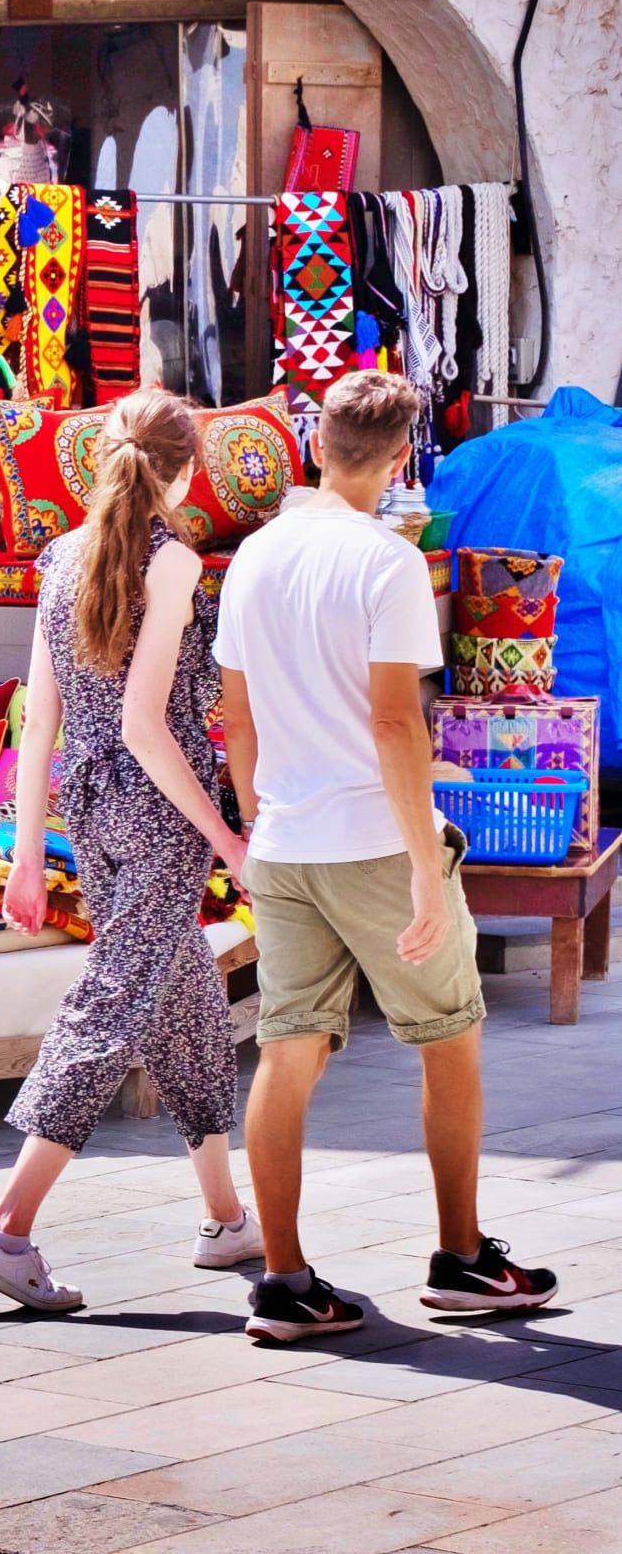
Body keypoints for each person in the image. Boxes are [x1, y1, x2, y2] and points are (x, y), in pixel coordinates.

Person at [217, 370, 556, 1342]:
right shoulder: (388, 563)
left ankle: (283, 1281)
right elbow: (393, 721)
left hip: (283, 840)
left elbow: (235, 720)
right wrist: (421, 863)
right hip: (372, 840)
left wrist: (256, 830)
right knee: (449, 1040)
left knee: (286, 1055)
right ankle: (459, 1258)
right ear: (402, 458)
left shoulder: (252, 557)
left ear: (314, 445)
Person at [0, 389, 260, 1311]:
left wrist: (21, 853)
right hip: (159, 814)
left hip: (91, 814)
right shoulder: (174, 564)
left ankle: (226, 1217)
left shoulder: (60, 555)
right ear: (185, 471)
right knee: (112, 1005)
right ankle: (8, 1229)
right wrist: (225, 837)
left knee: (186, 999)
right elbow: (144, 724)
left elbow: (38, 719)